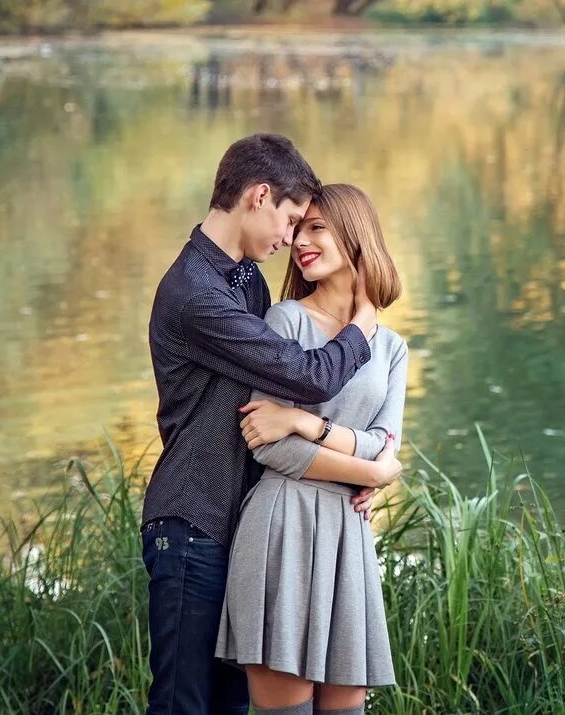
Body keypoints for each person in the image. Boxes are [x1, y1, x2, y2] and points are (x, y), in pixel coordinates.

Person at [142, 135, 396, 715]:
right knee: (184, 705)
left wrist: (367, 471)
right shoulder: (195, 294)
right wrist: (361, 321)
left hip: (243, 526)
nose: (290, 240)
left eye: (308, 228)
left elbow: (294, 398)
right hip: (192, 522)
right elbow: (306, 376)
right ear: (259, 196)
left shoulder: (246, 281)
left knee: (232, 708)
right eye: (288, 220)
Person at [215, 183, 408, 715]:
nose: (300, 240)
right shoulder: (286, 321)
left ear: (355, 234)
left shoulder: (391, 348)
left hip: (349, 536)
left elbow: (385, 444)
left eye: (317, 227)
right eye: (298, 228)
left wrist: (305, 422)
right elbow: (268, 448)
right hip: (284, 526)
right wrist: (373, 472)